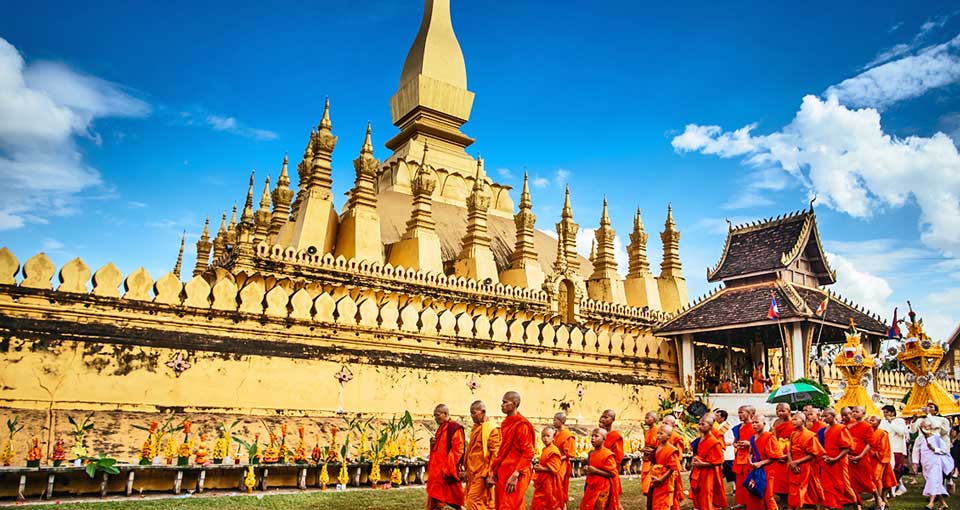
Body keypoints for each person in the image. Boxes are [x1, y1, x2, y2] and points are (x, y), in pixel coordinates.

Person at [488, 391, 535, 510]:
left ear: (515, 403)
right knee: (503, 505)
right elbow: (504, 450)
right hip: (504, 471)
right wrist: (495, 469)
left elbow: (528, 452)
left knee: (510, 505)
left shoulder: (522, 425)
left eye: (505, 402)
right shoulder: (505, 424)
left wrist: (515, 474)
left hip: (516, 471)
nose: (502, 405)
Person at [463, 400, 501, 510]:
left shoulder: (491, 429)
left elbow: (495, 453)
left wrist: (491, 473)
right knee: (482, 502)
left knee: (472, 500)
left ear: (483, 412)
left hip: (482, 472)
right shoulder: (476, 427)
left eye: (474, 413)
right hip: (472, 471)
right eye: (470, 413)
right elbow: (471, 450)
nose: (472, 416)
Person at [427, 404, 466, 510]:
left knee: (450, 497)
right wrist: (433, 443)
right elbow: (439, 449)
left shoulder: (454, 428)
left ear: (445, 414)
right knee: (436, 497)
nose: (436, 418)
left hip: (447, 470)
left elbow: (458, 450)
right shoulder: (442, 428)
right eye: (434, 416)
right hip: (437, 472)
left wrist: (448, 468)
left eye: (438, 415)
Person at [912, 421, 955, 510]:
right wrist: (915, 463)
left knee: (933, 480)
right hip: (925, 463)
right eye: (923, 426)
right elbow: (915, 451)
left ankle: (931, 503)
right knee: (934, 483)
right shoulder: (920, 439)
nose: (925, 428)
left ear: (931, 427)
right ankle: (943, 504)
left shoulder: (936, 438)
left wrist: (934, 449)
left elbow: (944, 450)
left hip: (935, 462)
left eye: (927, 426)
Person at [818, 408, 856, 510]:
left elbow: (846, 448)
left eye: (826, 416)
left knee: (844, 486)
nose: (824, 419)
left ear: (833, 416)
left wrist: (835, 459)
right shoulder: (825, 430)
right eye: (823, 416)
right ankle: (829, 506)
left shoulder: (841, 428)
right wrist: (825, 456)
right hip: (827, 462)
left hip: (839, 461)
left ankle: (855, 505)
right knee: (827, 486)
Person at [689, 413, 727, 510]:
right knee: (699, 491)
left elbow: (720, 459)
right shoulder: (701, 439)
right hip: (699, 471)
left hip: (709, 472)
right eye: (699, 424)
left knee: (707, 492)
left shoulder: (713, 441)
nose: (700, 426)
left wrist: (703, 464)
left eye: (703, 424)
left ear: (710, 426)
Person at [787, 412, 824, 510]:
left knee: (812, 489)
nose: (793, 421)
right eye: (793, 419)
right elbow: (789, 450)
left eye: (796, 419)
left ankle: (817, 507)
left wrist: (797, 462)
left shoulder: (810, 435)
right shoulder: (793, 434)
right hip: (793, 465)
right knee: (793, 489)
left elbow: (813, 454)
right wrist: (791, 462)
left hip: (806, 466)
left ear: (803, 421)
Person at [847, 406, 881, 508]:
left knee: (867, 481)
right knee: (852, 482)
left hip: (862, 458)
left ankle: (877, 498)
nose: (854, 413)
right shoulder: (849, 425)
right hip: (850, 457)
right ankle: (858, 505)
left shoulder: (867, 426)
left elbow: (870, 443)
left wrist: (860, 455)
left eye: (857, 412)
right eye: (853, 412)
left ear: (863, 413)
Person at [747, 415, 783, 510]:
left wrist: (761, 463)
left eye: (757, 422)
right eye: (753, 423)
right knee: (755, 492)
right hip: (755, 469)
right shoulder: (752, 438)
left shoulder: (769, 437)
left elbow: (777, 456)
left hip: (767, 469)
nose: (754, 425)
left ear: (764, 423)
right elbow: (750, 452)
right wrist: (750, 461)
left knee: (768, 494)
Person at [581, 428, 620, 510]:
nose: (593, 438)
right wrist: (586, 469)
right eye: (592, 436)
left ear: (604, 439)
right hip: (591, 485)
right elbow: (590, 469)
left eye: (596, 436)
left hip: (602, 487)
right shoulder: (591, 453)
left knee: (599, 506)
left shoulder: (608, 454)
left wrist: (596, 471)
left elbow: (612, 473)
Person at [647, 424, 681, 510]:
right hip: (656, 479)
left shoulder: (671, 450)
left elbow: (672, 468)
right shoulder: (658, 448)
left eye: (661, 434)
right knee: (655, 501)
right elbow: (653, 462)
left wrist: (661, 479)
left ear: (669, 436)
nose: (658, 436)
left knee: (663, 503)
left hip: (665, 481)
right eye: (657, 433)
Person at [866, 415, 897, 505]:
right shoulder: (868, 432)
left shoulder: (883, 433)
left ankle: (878, 502)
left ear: (879, 423)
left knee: (877, 479)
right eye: (869, 420)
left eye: (873, 420)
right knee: (872, 479)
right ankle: (880, 500)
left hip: (879, 459)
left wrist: (875, 453)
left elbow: (884, 447)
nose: (870, 422)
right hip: (869, 459)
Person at [879, 404, 908, 496]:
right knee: (887, 470)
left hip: (896, 448)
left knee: (895, 470)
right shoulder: (883, 422)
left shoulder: (899, 420)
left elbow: (902, 432)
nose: (885, 414)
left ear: (892, 413)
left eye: (887, 412)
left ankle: (892, 490)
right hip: (886, 448)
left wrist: (891, 422)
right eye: (884, 412)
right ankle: (898, 487)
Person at [532, 426, 563, 510]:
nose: (545, 438)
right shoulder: (545, 449)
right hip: (543, 480)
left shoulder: (553, 451)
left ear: (553, 438)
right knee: (540, 502)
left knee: (550, 502)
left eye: (548, 436)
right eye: (543, 436)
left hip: (550, 482)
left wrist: (541, 469)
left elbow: (555, 469)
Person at [598, 409, 624, 510]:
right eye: (602, 417)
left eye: (606, 417)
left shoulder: (615, 436)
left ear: (612, 420)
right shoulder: (599, 434)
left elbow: (618, 456)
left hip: (610, 469)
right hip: (598, 469)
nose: (603, 419)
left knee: (614, 500)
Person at [732, 405, 756, 509]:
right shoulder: (739, 427)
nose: (740, 415)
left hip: (750, 456)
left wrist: (749, 443)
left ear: (750, 414)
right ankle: (741, 501)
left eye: (742, 412)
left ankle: (750, 501)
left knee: (749, 478)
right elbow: (735, 440)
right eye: (739, 413)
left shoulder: (754, 426)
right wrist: (735, 444)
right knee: (739, 479)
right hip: (740, 456)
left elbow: (759, 441)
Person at [661, 414, 686, 510]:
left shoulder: (676, 438)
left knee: (672, 491)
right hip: (660, 468)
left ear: (673, 426)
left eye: (666, 423)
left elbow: (678, 457)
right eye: (662, 423)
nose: (663, 425)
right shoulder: (661, 435)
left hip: (671, 469)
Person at [552, 412, 577, 505]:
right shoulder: (554, 434)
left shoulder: (568, 435)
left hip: (562, 463)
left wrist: (558, 458)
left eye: (555, 420)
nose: (553, 422)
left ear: (561, 421)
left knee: (560, 484)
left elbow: (569, 453)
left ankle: (562, 504)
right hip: (553, 462)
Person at [770, 403, 792, 506]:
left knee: (788, 477)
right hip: (778, 450)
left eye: (783, 411)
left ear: (789, 411)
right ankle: (782, 498)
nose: (780, 413)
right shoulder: (776, 422)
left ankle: (788, 500)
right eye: (778, 411)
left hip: (790, 451)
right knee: (778, 478)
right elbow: (773, 438)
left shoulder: (794, 422)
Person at [715, 410, 736, 485]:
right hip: (720, 452)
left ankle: (735, 487)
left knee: (731, 471)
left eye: (717, 416)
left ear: (723, 418)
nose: (715, 417)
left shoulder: (727, 427)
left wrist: (720, 442)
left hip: (727, 453)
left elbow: (731, 440)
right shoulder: (718, 426)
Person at [641, 411, 660, 495]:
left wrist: (652, 451)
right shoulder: (647, 431)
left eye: (648, 417)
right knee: (645, 474)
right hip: (647, 457)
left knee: (650, 475)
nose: (645, 419)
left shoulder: (657, 430)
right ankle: (646, 490)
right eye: (645, 417)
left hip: (653, 457)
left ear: (654, 419)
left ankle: (649, 490)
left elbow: (660, 445)